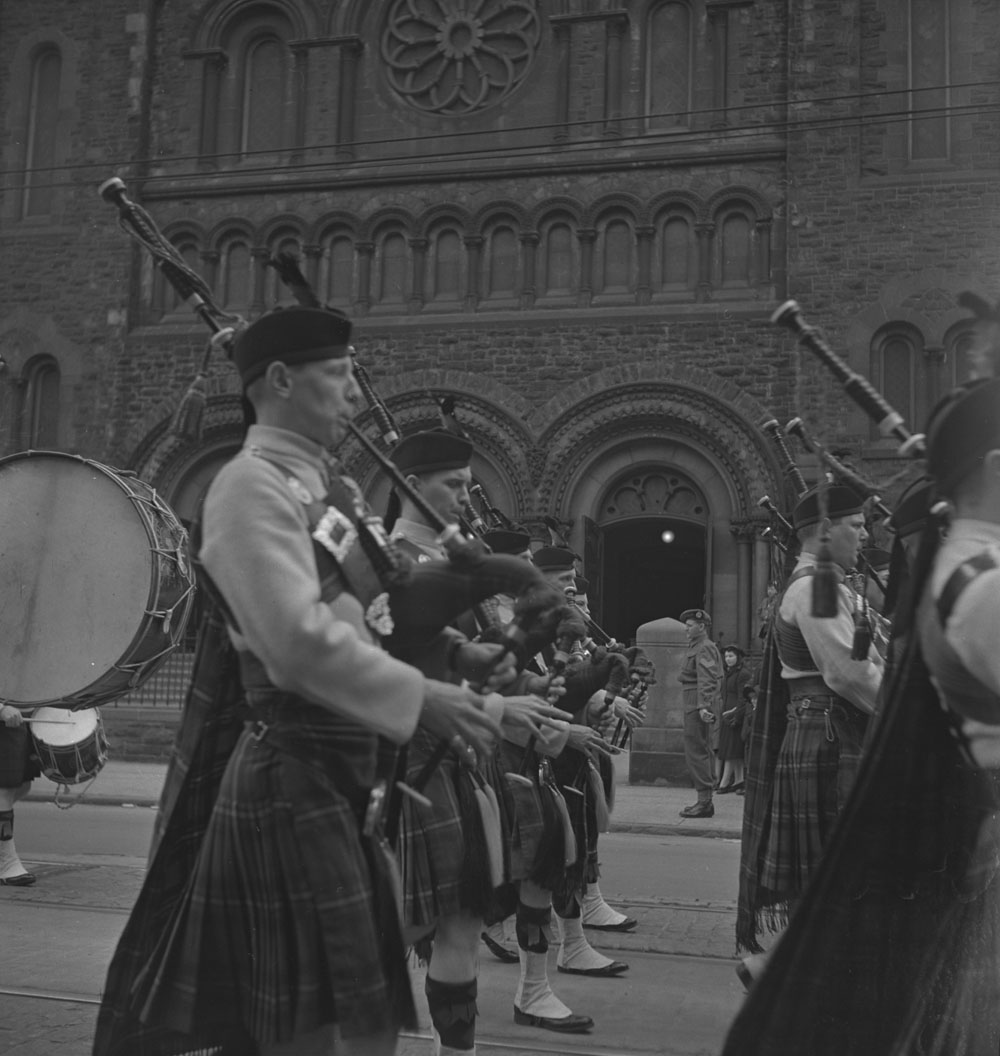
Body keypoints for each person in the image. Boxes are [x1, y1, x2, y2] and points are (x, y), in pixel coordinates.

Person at [94, 305, 502, 1056]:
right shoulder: (249, 487)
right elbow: (290, 640)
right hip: (293, 775)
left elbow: (380, 606)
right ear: (280, 380)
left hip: (347, 775)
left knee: (357, 1022)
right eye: (339, 375)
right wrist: (422, 699)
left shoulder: (330, 488)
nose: (354, 395)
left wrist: (453, 652)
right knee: (309, 1034)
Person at [387, 429, 573, 1056]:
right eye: (452, 484)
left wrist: (537, 695)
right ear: (410, 487)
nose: (466, 497)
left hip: (462, 756)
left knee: (461, 920)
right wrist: (500, 706)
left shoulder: (459, 564)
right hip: (407, 760)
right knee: (395, 928)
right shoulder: (391, 564)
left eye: (470, 484)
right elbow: (399, 670)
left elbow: (479, 654)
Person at [734, 483, 884, 983]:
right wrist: (904, 714)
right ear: (823, 532)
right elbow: (849, 673)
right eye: (856, 526)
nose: (864, 536)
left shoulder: (826, 583)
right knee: (836, 868)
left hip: (825, 734)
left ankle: (777, 970)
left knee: (827, 870)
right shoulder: (816, 587)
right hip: (830, 736)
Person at [677, 608, 723, 819]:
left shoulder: (704, 648)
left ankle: (705, 802)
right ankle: (703, 799)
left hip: (697, 702)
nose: (686, 628)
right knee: (695, 749)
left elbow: (708, 678)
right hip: (692, 700)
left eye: (690, 625)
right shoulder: (696, 646)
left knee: (698, 750)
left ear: (702, 626)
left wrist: (704, 706)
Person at [0, 704, 39, 886]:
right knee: (4, 791)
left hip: (19, 719)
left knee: (23, 786)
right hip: (4, 719)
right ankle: (6, 864)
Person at [717, 646, 752, 794]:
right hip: (726, 714)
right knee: (731, 749)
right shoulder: (728, 673)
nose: (728, 659)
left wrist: (736, 715)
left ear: (738, 657)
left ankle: (724, 783)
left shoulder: (742, 674)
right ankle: (739, 780)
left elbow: (742, 697)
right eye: (726, 656)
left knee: (731, 750)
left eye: (731, 656)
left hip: (734, 715)